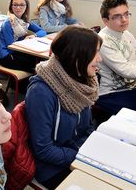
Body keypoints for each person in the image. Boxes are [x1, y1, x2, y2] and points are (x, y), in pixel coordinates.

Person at [25, 26, 101, 189]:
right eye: (95, 53)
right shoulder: (41, 92)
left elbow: (87, 128)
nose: (99, 59)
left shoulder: (82, 83)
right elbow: (43, 150)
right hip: (52, 168)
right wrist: (81, 155)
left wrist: (90, 150)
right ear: (76, 56)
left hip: (77, 154)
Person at [96, 0, 136, 115]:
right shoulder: (103, 40)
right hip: (111, 94)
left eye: (126, 14)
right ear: (105, 21)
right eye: (117, 17)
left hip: (131, 89)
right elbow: (125, 70)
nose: (124, 19)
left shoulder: (126, 34)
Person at [0, 0, 46, 73]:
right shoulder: (8, 23)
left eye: (22, 5)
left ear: (26, 7)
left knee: (42, 61)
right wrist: (25, 42)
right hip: (8, 56)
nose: (18, 8)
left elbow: (43, 31)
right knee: (37, 67)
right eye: (15, 5)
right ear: (11, 6)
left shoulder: (25, 21)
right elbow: (11, 47)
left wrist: (34, 36)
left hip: (20, 52)